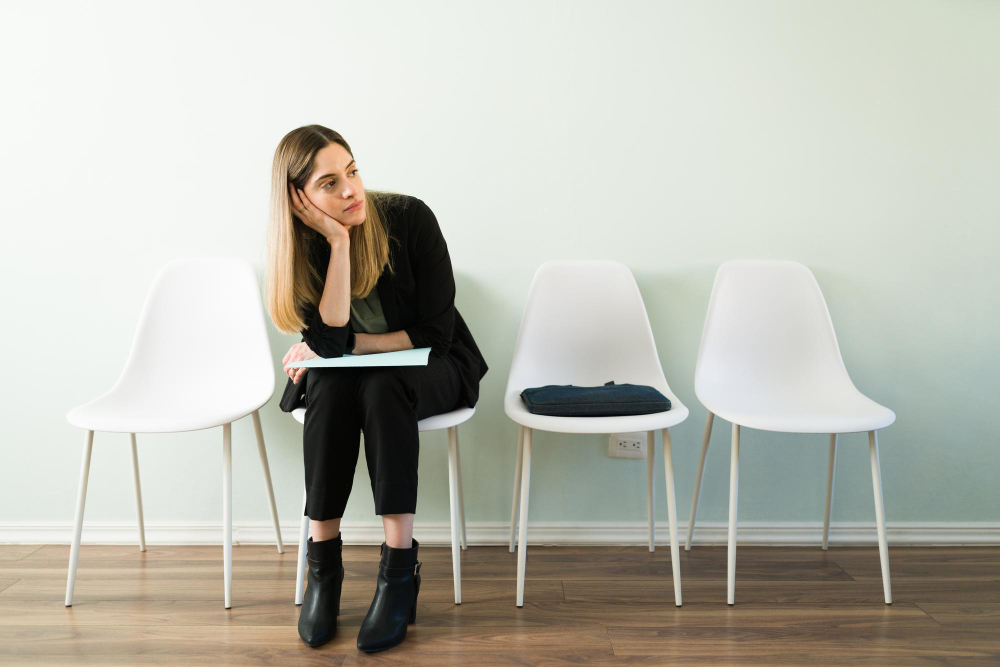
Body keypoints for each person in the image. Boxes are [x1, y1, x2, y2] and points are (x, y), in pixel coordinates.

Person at [264, 124, 488, 652]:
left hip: (438, 365)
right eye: (329, 183)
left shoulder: (410, 219)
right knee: (328, 389)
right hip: (355, 377)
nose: (350, 190)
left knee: (380, 386)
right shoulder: (306, 249)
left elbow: (434, 333)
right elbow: (327, 338)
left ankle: (397, 573)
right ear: (299, 201)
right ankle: (324, 572)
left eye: (353, 170)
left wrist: (347, 348)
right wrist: (338, 243)